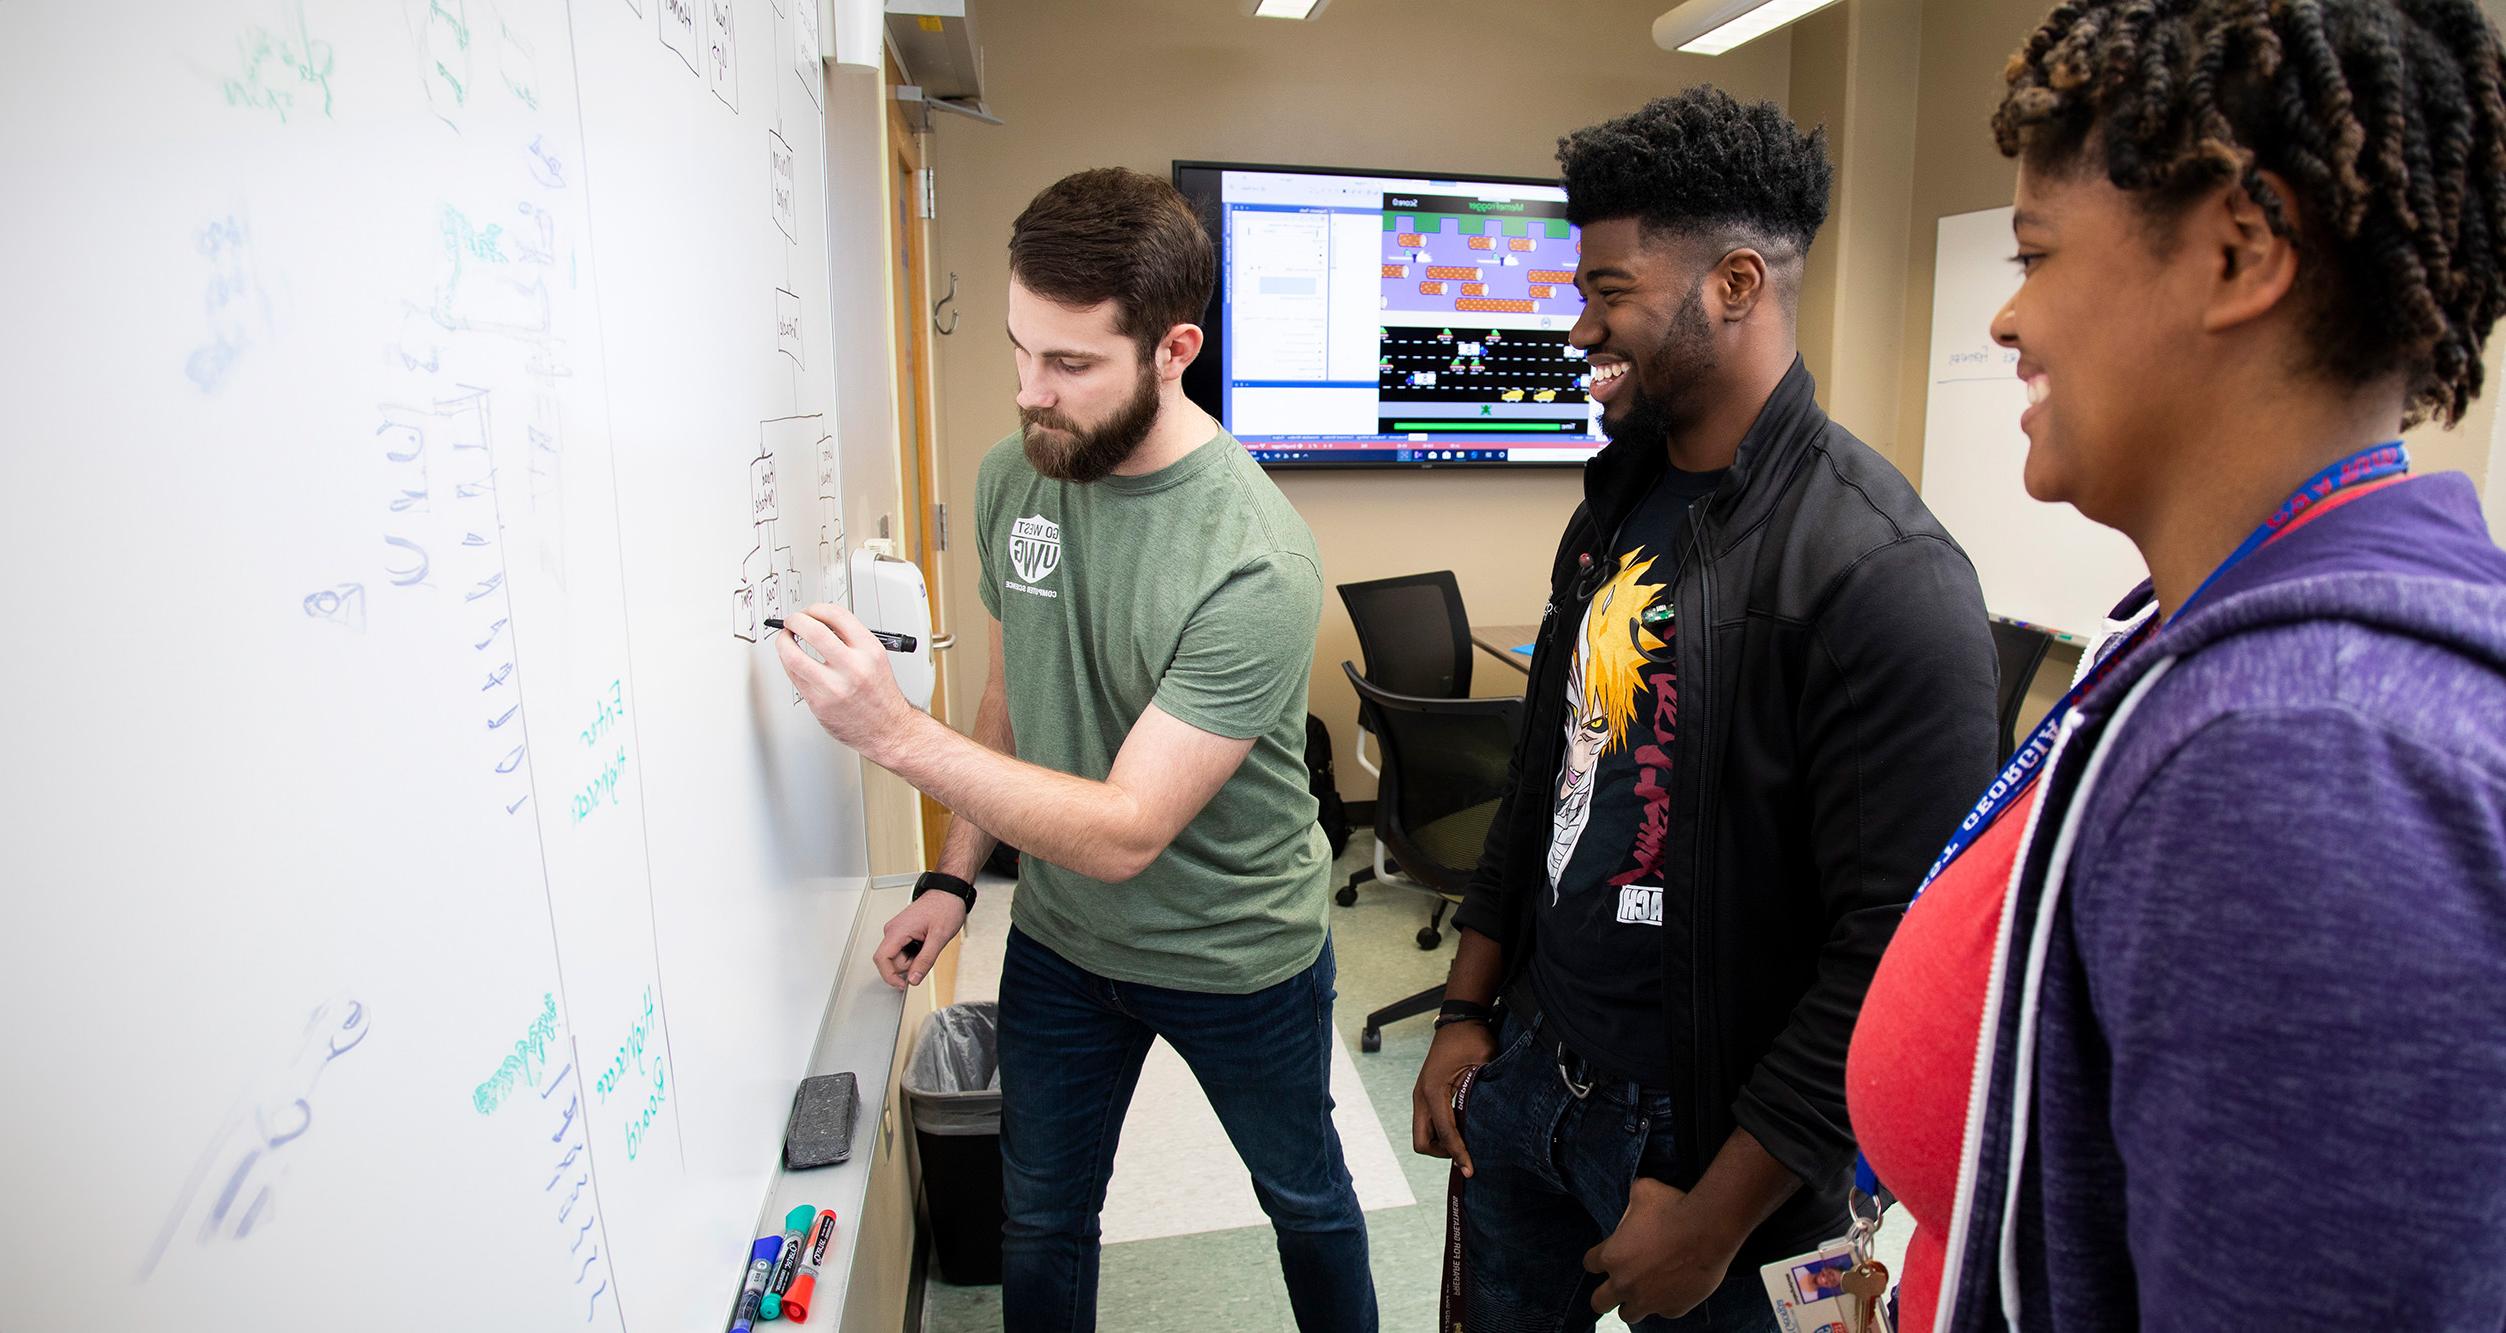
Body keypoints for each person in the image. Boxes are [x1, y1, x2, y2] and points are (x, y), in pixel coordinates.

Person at [1844, 2, 2506, 1328]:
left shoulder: (2308, 754)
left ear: (2236, 250)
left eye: (2033, 253)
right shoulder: (2203, 631)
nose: (2008, 318)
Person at [1409, 88, 2000, 1331]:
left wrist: (1716, 1216)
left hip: (1718, 1157)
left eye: (1609, 291)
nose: (1580, 329)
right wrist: (1468, 1011)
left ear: (1734, 283)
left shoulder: (1880, 573)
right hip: (1530, 1078)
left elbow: (1885, 950)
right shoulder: (1614, 505)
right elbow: (1543, 779)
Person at [774, 167, 1374, 1333]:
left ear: (1172, 349)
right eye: (1018, 352)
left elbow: (1123, 830)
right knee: (1041, 1217)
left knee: (1304, 1199)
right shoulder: (1021, 474)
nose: (1029, 394)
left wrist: (890, 732)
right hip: (1060, 947)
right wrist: (952, 876)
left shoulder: (1256, 557)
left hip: (1235, 952)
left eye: (1068, 364)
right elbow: (1012, 699)